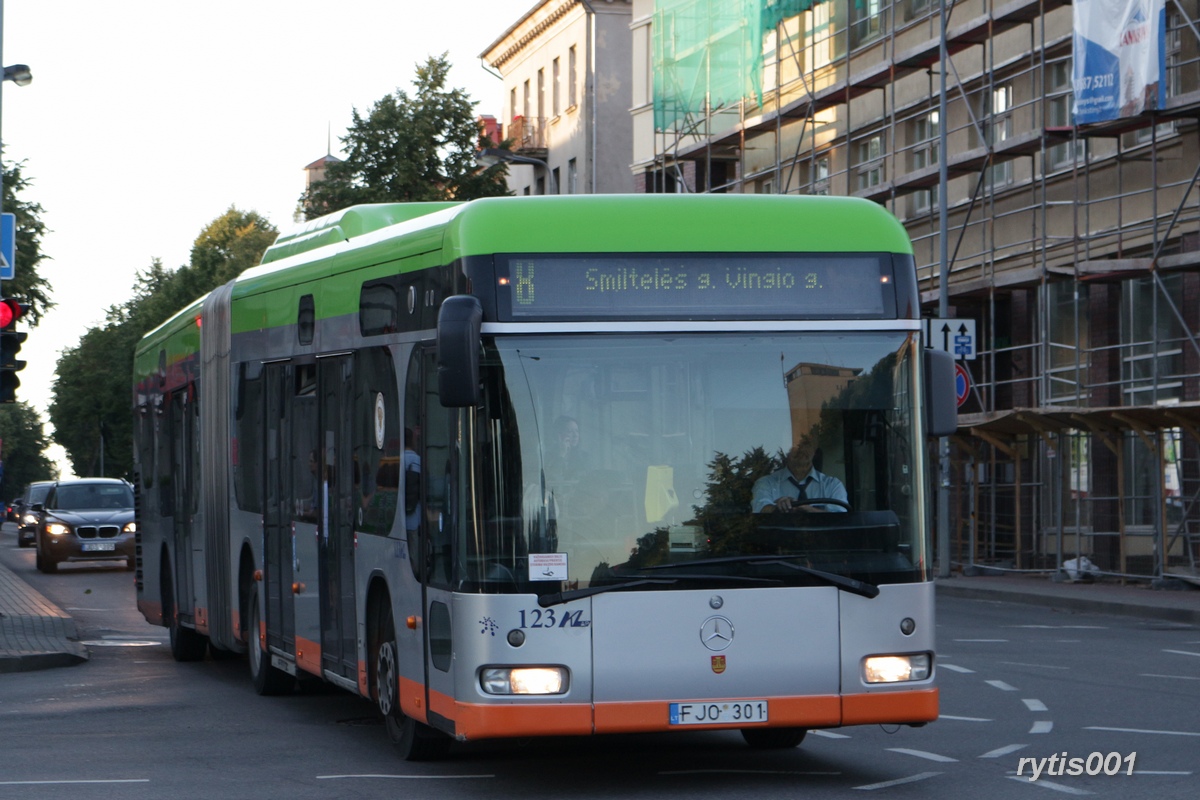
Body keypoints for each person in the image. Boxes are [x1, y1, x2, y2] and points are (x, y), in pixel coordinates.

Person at [751, 436, 847, 513]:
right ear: (786, 452)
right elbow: (760, 510)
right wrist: (778, 508)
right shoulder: (766, 483)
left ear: (815, 452)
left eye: (807, 445)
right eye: (796, 445)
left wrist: (808, 510)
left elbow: (841, 520)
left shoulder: (833, 485)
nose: (802, 449)